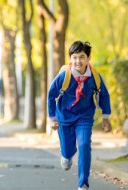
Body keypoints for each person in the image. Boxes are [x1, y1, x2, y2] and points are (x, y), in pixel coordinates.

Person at [47, 41, 112, 190]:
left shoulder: (94, 76)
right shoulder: (65, 76)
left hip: (84, 116)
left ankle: (83, 183)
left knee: (84, 145)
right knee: (68, 150)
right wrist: (52, 118)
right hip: (64, 116)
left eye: (82, 57)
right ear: (70, 58)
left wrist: (106, 117)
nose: (78, 61)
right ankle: (66, 155)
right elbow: (51, 95)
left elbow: (104, 96)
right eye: (74, 57)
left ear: (88, 58)